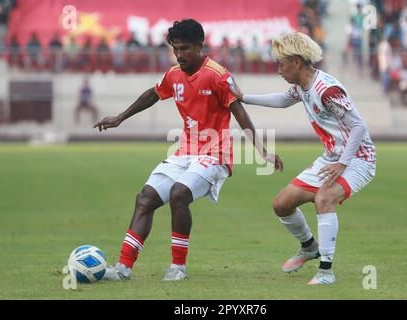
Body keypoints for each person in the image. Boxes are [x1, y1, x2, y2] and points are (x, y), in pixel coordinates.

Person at [93, 19, 283, 282]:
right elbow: (152, 94)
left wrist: (262, 151)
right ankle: (123, 268)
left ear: (199, 45)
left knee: (178, 193)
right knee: (145, 198)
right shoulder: (174, 74)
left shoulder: (218, 75)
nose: (180, 54)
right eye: (175, 49)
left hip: (216, 155)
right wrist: (120, 117)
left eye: (184, 48)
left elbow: (240, 113)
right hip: (185, 152)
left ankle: (178, 268)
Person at [228, 32, 377, 285]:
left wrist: (342, 163)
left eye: (281, 64)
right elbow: (283, 100)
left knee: (324, 198)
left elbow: (359, 127)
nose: (278, 70)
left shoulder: (326, 89)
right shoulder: (301, 86)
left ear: (296, 62)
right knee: (281, 204)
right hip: (331, 158)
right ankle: (309, 247)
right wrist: (244, 98)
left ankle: (326, 271)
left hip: (358, 159)